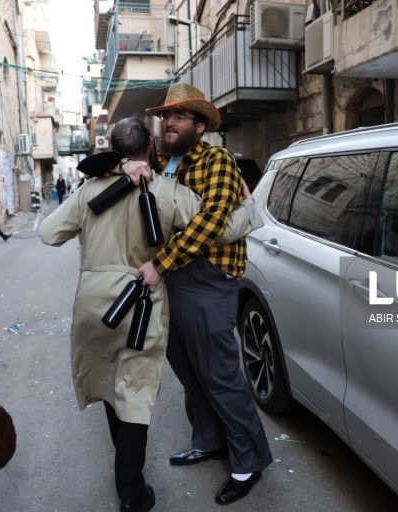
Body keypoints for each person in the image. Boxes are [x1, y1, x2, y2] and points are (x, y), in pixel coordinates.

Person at [39, 117, 260, 512]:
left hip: (93, 304)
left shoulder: (89, 192)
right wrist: (249, 209)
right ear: (150, 149)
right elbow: (220, 229)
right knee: (134, 395)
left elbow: (48, 233)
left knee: (109, 385)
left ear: (112, 150)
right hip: (139, 301)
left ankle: (130, 475)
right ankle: (131, 491)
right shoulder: (166, 190)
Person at [126, 83, 273, 506]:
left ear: (200, 125)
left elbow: (209, 225)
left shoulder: (218, 161)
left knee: (220, 375)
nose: (168, 122)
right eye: (165, 116)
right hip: (175, 281)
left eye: (179, 116)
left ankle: (248, 461)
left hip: (208, 279)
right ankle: (209, 439)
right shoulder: (162, 162)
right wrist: (128, 166)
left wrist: (159, 265)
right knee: (190, 372)